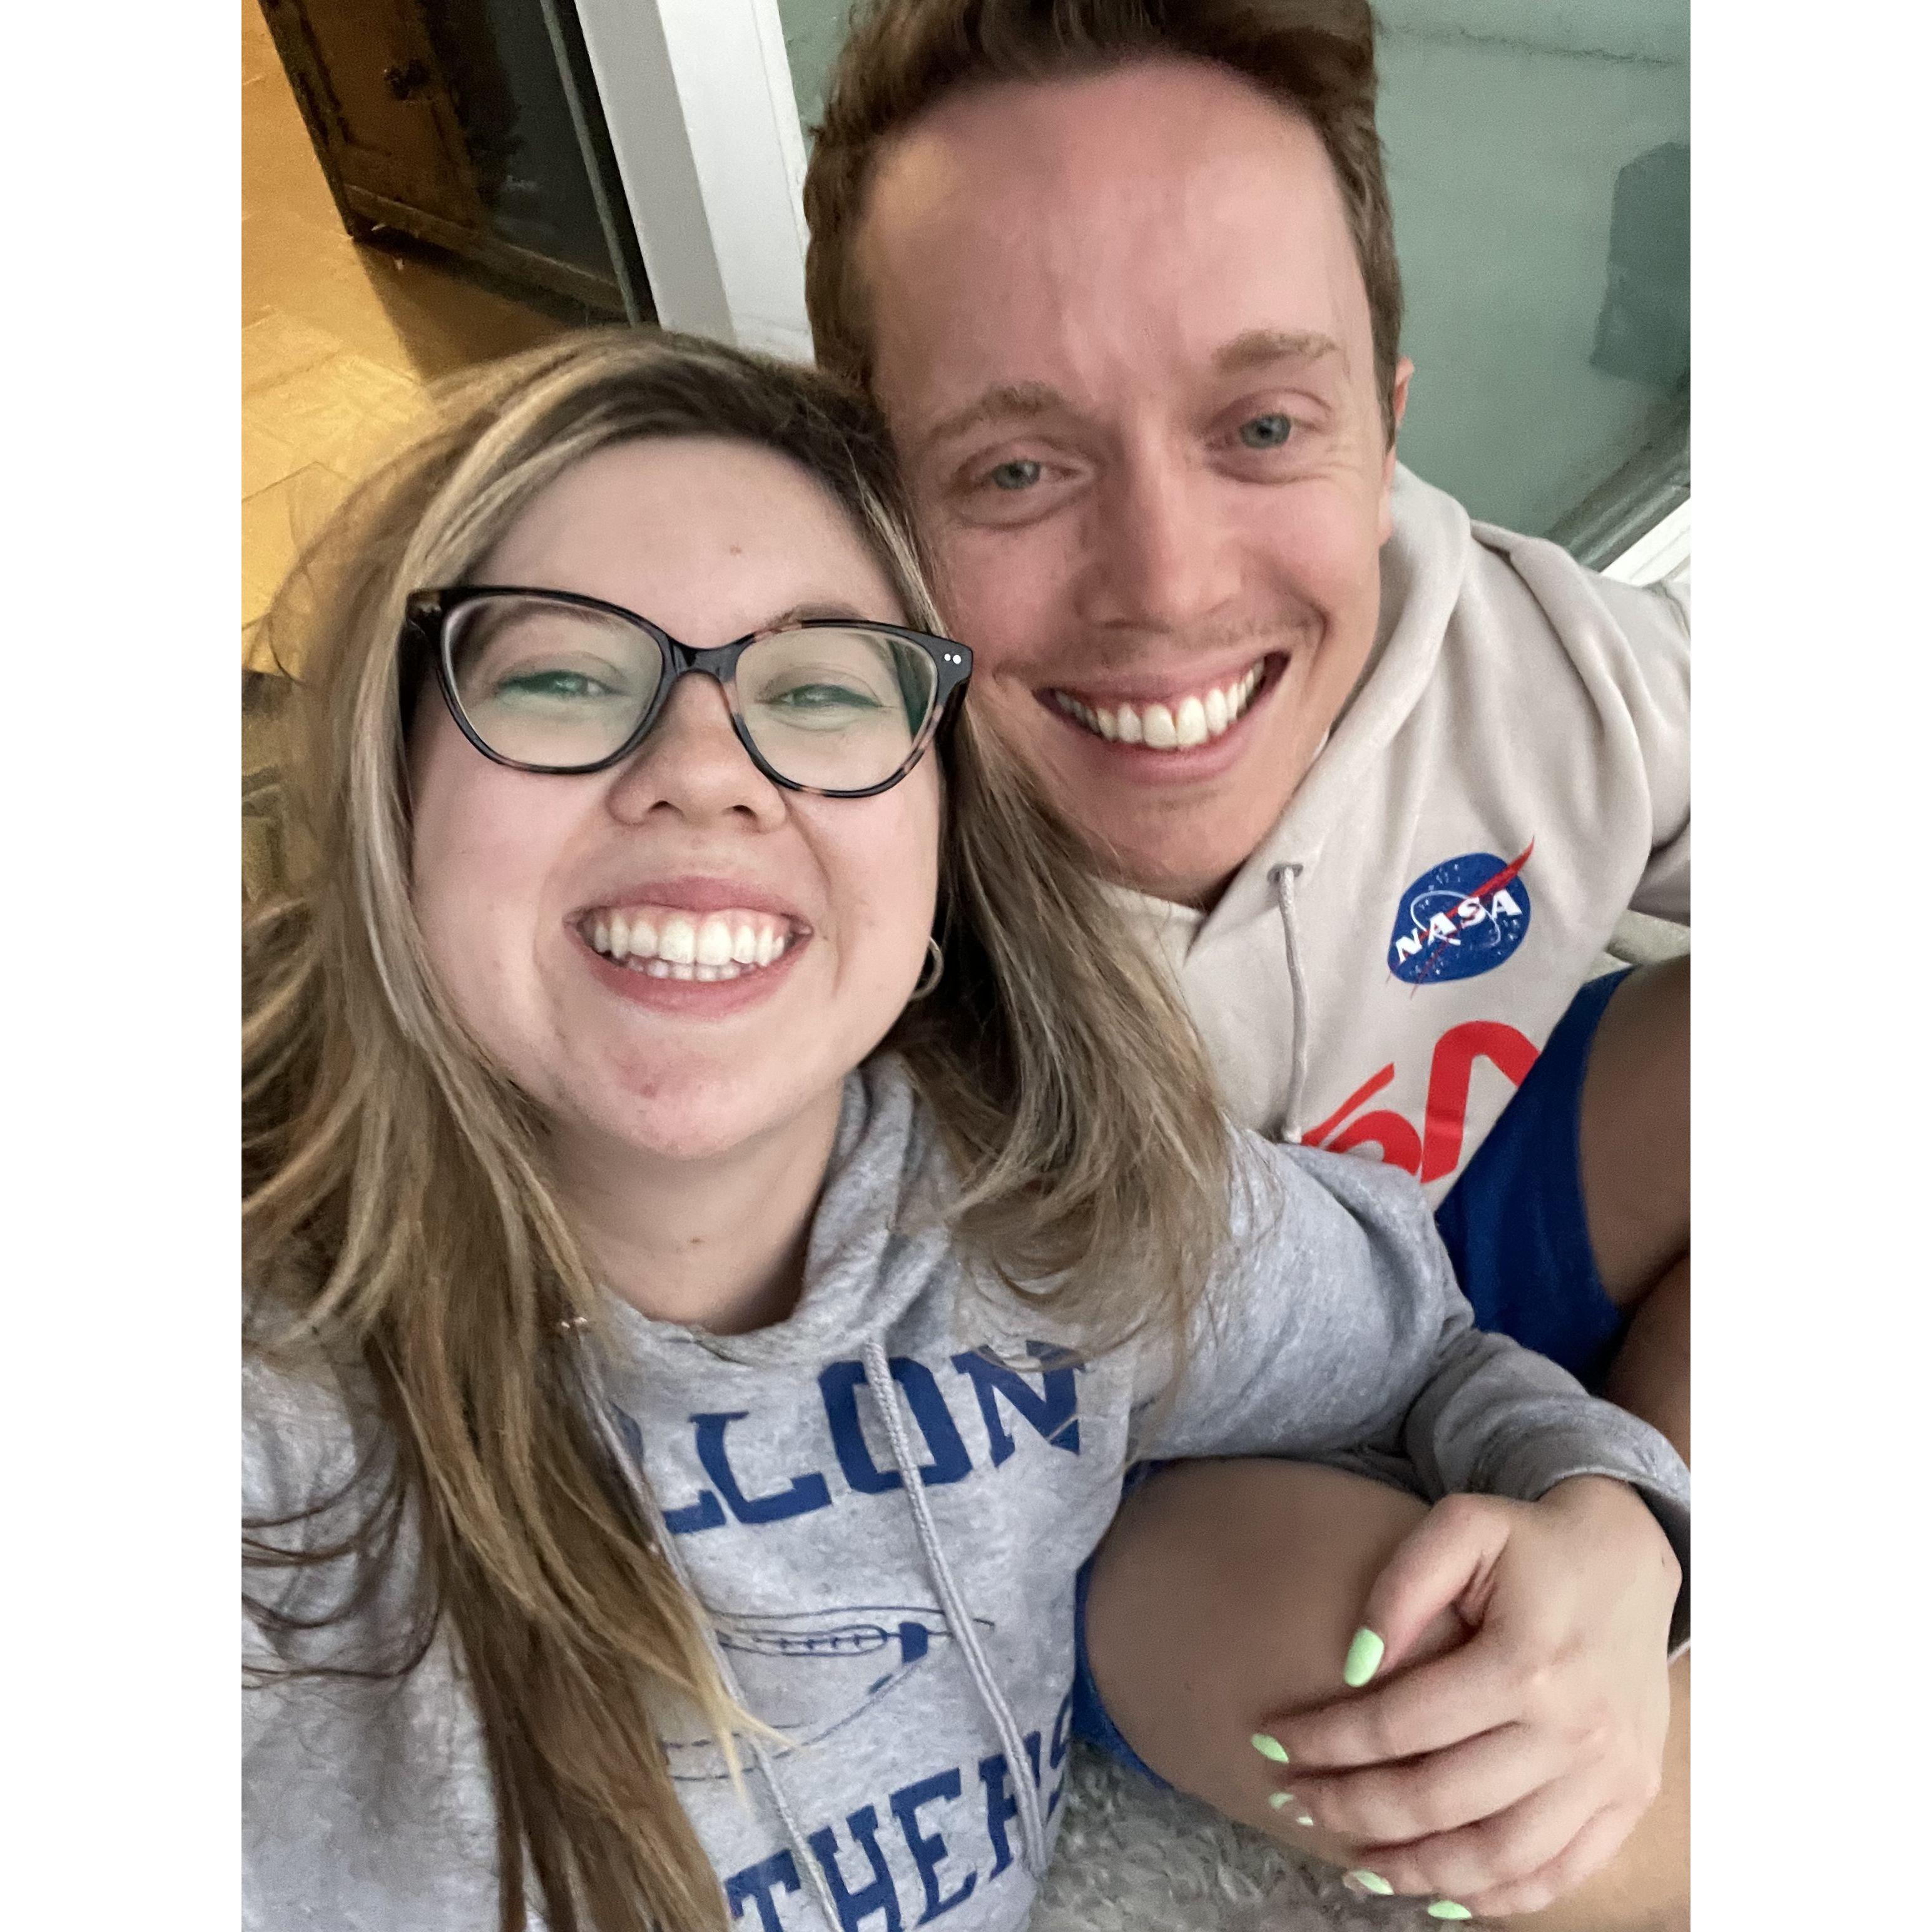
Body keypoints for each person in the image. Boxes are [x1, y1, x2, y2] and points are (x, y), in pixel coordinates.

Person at [242, 330, 1688, 1932]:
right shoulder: (268, 1399)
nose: (704, 773)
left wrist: (1613, 1518)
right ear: (392, 799)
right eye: (567, 674)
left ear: (934, 846)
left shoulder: (1045, 1206)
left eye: (819, 688)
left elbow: (1419, 1349)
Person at [802, 0, 1690, 1463]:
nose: (1167, 584)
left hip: (1470, 1248)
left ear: (1382, 437)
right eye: (1015, 468)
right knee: (1360, 1655)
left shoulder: (1522, 654)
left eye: (1262, 428)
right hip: (1138, 1468)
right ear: (867, 506)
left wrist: (1644, 1520)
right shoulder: (811, 840)